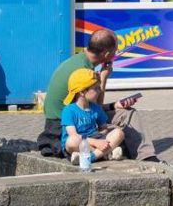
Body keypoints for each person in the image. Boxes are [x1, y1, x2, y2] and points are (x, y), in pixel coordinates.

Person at [37, 27, 155, 160]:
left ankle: (106, 152)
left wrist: (114, 105)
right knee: (128, 115)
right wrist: (104, 78)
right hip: (66, 123)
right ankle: (145, 157)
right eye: (114, 52)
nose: (115, 55)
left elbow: (89, 106)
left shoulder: (79, 60)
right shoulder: (83, 72)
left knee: (123, 112)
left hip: (67, 116)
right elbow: (96, 107)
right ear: (106, 54)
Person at [62, 68, 126, 165]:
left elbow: (104, 128)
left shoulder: (96, 108)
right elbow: (73, 135)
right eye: (95, 88)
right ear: (82, 91)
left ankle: (90, 157)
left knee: (119, 133)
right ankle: (106, 153)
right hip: (80, 142)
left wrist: (103, 133)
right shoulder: (69, 110)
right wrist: (96, 143)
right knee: (71, 142)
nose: (99, 91)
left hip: (96, 139)